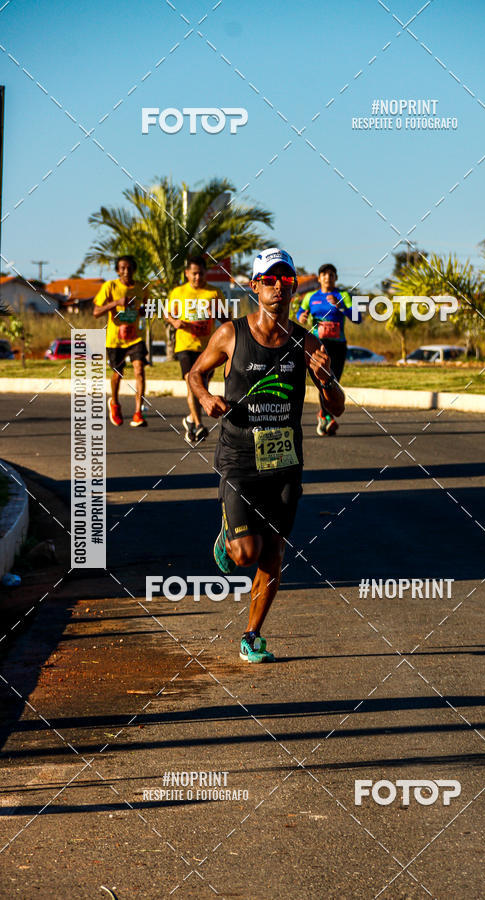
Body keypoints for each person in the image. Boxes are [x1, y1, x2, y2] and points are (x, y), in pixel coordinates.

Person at [189, 248, 344, 663]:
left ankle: (251, 634)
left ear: (293, 286)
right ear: (255, 285)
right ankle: (229, 535)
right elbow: (195, 372)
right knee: (245, 554)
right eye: (270, 280)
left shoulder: (305, 342)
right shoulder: (230, 334)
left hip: (284, 463)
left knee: (274, 551)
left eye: (286, 280)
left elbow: (338, 405)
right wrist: (204, 397)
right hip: (239, 458)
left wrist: (326, 380)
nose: (279, 287)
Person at [165, 256, 226, 445]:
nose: (197, 277)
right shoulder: (179, 292)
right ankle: (199, 425)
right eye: (194, 273)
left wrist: (215, 313)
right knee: (191, 381)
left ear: (205, 273)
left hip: (208, 348)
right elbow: (168, 313)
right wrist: (175, 321)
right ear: (187, 273)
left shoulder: (214, 292)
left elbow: (227, 320)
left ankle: (190, 420)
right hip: (185, 345)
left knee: (202, 386)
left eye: (200, 273)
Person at [297, 263, 358, 436]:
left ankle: (324, 415)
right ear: (319, 278)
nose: (327, 278)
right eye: (324, 274)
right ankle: (326, 417)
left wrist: (341, 307)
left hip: (338, 344)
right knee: (322, 379)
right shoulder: (311, 296)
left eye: (331, 275)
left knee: (334, 380)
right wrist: (301, 316)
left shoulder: (343, 295)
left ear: (335, 278)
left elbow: (357, 317)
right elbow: (300, 312)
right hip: (318, 344)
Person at [93, 255, 149, 427]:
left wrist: (142, 310)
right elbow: (96, 312)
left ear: (134, 269)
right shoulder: (110, 286)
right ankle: (115, 403)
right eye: (122, 268)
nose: (126, 271)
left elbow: (148, 309)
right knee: (118, 374)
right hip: (115, 339)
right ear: (117, 270)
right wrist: (116, 303)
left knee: (139, 370)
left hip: (135, 337)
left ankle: (138, 412)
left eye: (129, 268)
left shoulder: (142, 287)